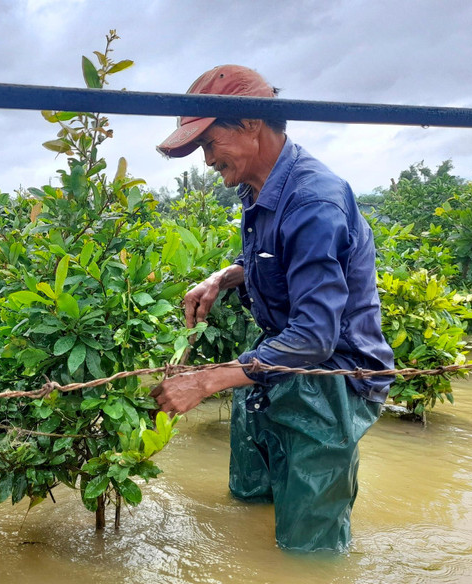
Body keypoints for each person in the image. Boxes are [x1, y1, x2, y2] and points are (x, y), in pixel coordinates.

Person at [151, 65, 394, 552]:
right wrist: (223, 276)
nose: (205, 160)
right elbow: (272, 256)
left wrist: (204, 381)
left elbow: (314, 338)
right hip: (272, 368)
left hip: (332, 383)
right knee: (247, 503)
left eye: (208, 143)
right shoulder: (258, 188)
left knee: (309, 549)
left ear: (250, 124)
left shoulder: (313, 201)